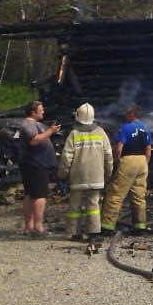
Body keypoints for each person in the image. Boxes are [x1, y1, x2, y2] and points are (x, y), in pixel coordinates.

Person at [57, 103, 113, 243]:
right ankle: (93, 232)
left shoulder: (74, 134)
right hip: (96, 176)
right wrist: (108, 173)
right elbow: (108, 155)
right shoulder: (101, 132)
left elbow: (66, 157)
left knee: (74, 206)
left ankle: (73, 232)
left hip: (77, 177)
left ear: (78, 116)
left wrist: (62, 174)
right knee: (93, 206)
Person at [100, 103, 151, 234]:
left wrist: (116, 162)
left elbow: (118, 148)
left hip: (128, 160)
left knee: (115, 194)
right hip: (142, 161)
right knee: (139, 196)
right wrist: (145, 164)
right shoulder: (145, 129)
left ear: (131, 114)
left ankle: (107, 226)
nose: (125, 116)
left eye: (127, 114)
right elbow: (148, 150)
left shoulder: (125, 128)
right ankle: (140, 226)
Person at [19, 100, 60, 237]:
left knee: (30, 194)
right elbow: (34, 140)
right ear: (33, 112)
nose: (43, 111)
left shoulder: (34, 124)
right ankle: (38, 227)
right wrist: (51, 131)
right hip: (36, 164)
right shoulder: (28, 125)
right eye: (41, 110)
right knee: (39, 196)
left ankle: (29, 227)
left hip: (33, 164)